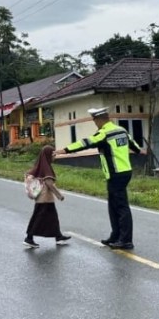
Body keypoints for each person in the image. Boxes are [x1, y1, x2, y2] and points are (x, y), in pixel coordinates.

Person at [57, 107, 142, 250]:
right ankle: (115, 236)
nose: (94, 123)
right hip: (125, 171)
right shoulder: (121, 130)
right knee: (113, 206)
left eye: (94, 120)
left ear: (99, 119)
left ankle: (126, 240)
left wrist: (64, 150)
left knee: (121, 207)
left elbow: (86, 142)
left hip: (115, 174)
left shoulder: (104, 134)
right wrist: (138, 151)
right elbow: (135, 146)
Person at [23, 145, 71, 248]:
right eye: (53, 155)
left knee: (52, 218)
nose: (54, 157)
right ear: (48, 156)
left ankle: (58, 236)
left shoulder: (39, 166)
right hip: (45, 199)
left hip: (43, 199)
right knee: (38, 219)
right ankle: (29, 238)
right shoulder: (46, 168)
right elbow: (49, 183)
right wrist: (59, 195)